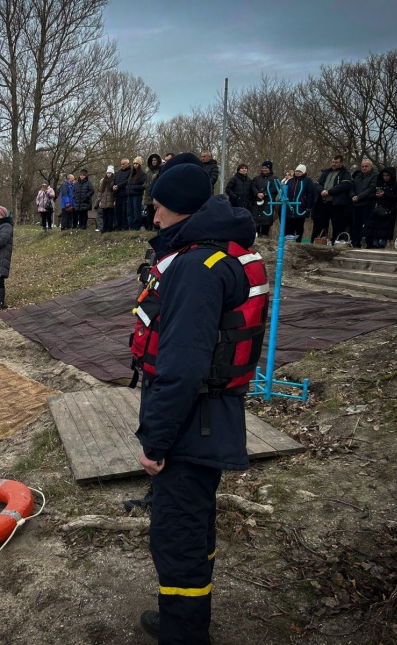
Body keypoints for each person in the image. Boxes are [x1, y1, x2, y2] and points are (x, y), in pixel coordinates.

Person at [133, 153, 265, 644]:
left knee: (178, 536)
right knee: (195, 526)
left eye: (160, 207)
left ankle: (184, 634)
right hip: (213, 417)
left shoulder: (195, 267)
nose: (153, 216)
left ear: (181, 211)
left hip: (191, 425)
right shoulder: (222, 251)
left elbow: (182, 368)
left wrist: (155, 443)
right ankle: (181, 621)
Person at [313, 155, 353, 241]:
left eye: (336, 162)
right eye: (333, 162)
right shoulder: (326, 172)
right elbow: (317, 184)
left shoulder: (345, 173)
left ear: (341, 163)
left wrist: (329, 192)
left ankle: (337, 241)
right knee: (321, 224)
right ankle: (321, 241)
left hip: (337, 204)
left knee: (337, 225)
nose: (334, 164)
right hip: (324, 203)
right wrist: (322, 191)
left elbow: (344, 185)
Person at [363, 167, 397, 249]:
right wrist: (376, 196)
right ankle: (375, 243)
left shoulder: (396, 185)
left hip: (389, 210)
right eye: (384, 175)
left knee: (386, 228)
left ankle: (383, 244)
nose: (385, 177)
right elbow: (370, 195)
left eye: (387, 175)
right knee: (375, 227)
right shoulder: (378, 184)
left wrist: (385, 195)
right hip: (377, 209)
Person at [349, 159, 379, 248]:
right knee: (355, 225)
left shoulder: (375, 176)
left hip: (367, 203)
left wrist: (359, 197)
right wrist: (353, 196)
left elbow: (371, 189)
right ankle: (355, 242)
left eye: (366, 166)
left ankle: (369, 243)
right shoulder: (358, 176)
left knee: (368, 225)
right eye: (363, 166)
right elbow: (351, 187)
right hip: (356, 204)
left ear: (371, 167)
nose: (364, 168)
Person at [284, 164, 315, 241]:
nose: (297, 173)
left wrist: (309, 206)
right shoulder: (290, 181)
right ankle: (289, 239)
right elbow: (285, 192)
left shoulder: (308, 180)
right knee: (289, 224)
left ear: (304, 172)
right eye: (296, 171)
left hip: (301, 207)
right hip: (290, 206)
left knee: (299, 224)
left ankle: (298, 240)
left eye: (299, 171)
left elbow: (311, 193)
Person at [250, 161, 279, 237]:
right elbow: (253, 186)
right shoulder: (257, 178)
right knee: (255, 220)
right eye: (263, 168)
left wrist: (264, 193)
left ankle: (264, 235)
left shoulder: (274, 179)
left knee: (266, 220)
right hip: (257, 203)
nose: (264, 169)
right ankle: (256, 235)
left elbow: (275, 188)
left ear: (270, 169)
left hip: (268, 202)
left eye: (266, 168)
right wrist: (257, 193)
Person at [143, 154, 163, 231]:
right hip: (148, 193)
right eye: (152, 160)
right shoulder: (148, 171)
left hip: (156, 193)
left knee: (156, 211)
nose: (153, 162)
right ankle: (149, 226)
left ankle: (156, 226)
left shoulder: (160, 170)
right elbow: (146, 181)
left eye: (155, 160)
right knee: (149, 212)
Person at [127, 157, 147, 230]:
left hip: (137, 195)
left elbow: (143, 186)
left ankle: (136, 226)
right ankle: (131, 226)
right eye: (134, 163)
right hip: (130, 195)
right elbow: (128, 184)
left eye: (137, 164)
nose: (135, 165)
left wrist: (133, 187)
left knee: (136, 211)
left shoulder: (143, 175)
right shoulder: (131, 174)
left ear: (140, 165)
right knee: (129, 211)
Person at [112, 158, 132, 230]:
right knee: (118, 211)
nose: (122, 165)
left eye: (124, 164)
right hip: (117, 195)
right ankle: (118, 226)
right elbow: (113, 181)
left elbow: (128, 181)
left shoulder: (130, 172)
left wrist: (118, 186)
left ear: (128, 164)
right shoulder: (118, 173)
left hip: (125, 194)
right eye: (121, 164)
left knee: (125, 211)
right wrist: (113, 186)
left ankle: (125, 226)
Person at [98, 166, 116, 232]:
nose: (108, 174)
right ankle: (104, 227)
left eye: (110, 173)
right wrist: (100, 200)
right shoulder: (103, 182)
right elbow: (100, 192)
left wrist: (114, 200)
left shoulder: (113, 181)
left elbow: (115, 192)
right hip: (104, 201)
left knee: (110, 216)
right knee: (104, 216)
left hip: (110, 201)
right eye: (108, 173)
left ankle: (110, 228)